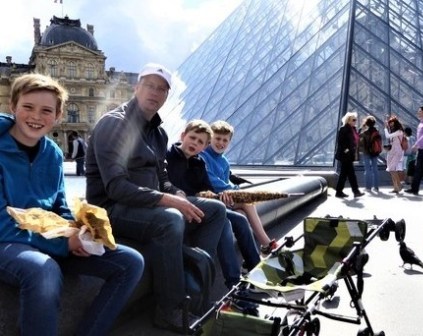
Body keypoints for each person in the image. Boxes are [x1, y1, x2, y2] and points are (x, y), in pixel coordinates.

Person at [85, 63, 227, 333]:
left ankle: (193, 281)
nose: (155, 92)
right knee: (171, 219)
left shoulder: (159, 133)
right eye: (149, 85)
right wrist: (170, 201)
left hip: (147, 207)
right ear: (136, 88)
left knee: (215, 210)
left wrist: (177, 193)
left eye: (162, 89)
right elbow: (116, 188)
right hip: (111, 209)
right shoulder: (113, 124)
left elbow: (163, 178)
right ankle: (168, 309)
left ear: (166, 96)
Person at [0, 73, 144, 336]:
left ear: (58, 116)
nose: (36, 116)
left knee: (131, 261)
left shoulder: (52, 153)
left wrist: (79, 229)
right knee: (43, 271)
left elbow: (58, 205)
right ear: (13, 106)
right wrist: (62, 244)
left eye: (46, 111)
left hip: (44, 237)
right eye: (28, 107)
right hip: (5, 241)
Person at [165, 119, 260, 289]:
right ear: (183, 136)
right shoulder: (168, 156)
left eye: (200, 141)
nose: (195, 143)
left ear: (204, 147)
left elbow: (206, 190)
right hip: (177, 209)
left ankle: (254, 268)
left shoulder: (198, 163)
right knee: (224, 221)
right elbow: (164, 184)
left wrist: (219, 196)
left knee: (239, 220)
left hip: (200, 207)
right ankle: (234, 282)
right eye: (193, 138)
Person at [200, 120, 278, 255]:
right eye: (217, 138)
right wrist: (234, 189)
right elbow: (211, 179)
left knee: (242, 215)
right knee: (247, 202)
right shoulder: (202, 155)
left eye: (225, 140)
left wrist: (230, 190)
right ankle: (266, 243)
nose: (221, 143)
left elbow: (224, 183)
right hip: (209, 197)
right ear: (210, 138)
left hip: (223, 198)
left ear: (229, 143)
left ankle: (247, 259)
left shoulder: (224, 161)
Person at [334, 112, 365, 198]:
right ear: (348, 120)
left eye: (355, 120)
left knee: (345, 174)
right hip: (345, 155)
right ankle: (355, 191)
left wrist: (360, 129)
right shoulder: (343, 129)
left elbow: (356, 138)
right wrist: (346, 150)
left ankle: (339, 192)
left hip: (349, 155)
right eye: (353, 120)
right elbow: (340, 141)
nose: (355, 121)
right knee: (351, 174)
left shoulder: (353, 129)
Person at [384, 116, 405, 193]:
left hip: (397, 151)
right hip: (391, 151)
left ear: (395, 123)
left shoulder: (399, 131)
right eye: (390, 123)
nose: (390, 124)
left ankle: (399, 185)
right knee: (391, 169)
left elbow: (387, 136)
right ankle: (396, 187)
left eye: (392, 122)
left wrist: (385, 128)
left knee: (392, 169)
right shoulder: (393, 131)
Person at [359, 116, 380, 192]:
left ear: (366, 124)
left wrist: (362, 127)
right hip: (375, 152)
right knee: (375, 169)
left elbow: (359, 141)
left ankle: (368, 187)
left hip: (366, 152)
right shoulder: (377, 132)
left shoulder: (364, 133)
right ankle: (376, 187)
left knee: (368, 170)